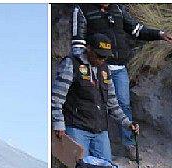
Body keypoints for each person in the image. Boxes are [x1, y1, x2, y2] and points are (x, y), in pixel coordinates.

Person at [70, 4, 172, 160]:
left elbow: (137, 30)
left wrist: (160, 34)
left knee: (123, 104)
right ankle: (92, 149)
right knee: (94, 104)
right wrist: (84, 68)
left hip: (119, 68)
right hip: (96, 68)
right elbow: (78, 44)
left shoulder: (118, 9)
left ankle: (128, 145)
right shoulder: (82, 10)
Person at [52, 33, 140, 161]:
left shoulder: (105, 70)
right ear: (88, 48)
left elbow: (112, 103)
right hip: (76, 128)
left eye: (105, 57)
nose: (102, 60)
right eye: (99, 55)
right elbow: (56, 98)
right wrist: (59, 124)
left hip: (100, 131)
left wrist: (127, 123)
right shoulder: (71, 64)